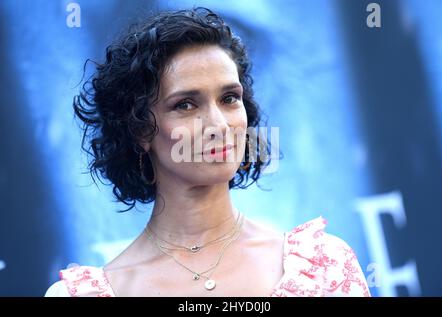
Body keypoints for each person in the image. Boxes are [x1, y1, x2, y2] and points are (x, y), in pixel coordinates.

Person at [44, 7, 370, 297]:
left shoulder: (325, 267)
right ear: (140, 129)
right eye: (185, 104)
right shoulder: (82, 293)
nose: (218, 124)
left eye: (229, 98)